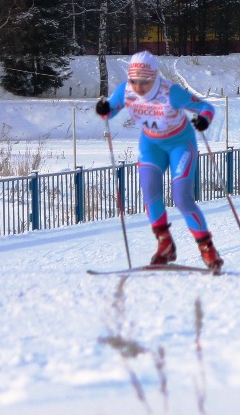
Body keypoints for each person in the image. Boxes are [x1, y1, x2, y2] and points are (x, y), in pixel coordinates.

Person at [95, 50, 223, 272]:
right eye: (134, 80)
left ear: (154, 77)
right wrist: (103, 109)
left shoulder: (170, 92)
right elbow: (110, 110)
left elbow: (206, 108)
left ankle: (207, 247)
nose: (138, 87)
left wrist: (203, 120)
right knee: (150, 191)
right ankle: (165, 244)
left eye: (144, 81)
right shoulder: (125, 90)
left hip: (180, 144)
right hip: (151, 145)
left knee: (182, 197)